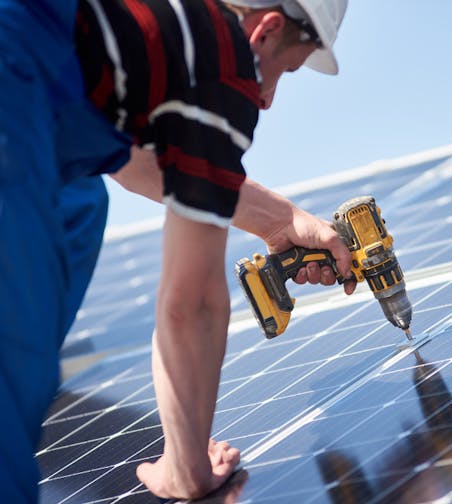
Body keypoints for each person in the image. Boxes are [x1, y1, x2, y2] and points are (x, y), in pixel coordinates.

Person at [0, 0, 350, 501]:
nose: (268, 98)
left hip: (31, 83)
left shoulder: (161, 26)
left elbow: (130, 162)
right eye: (285, 71)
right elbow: (193, 303)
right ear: (267, 32)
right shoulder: (224, 56)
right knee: (10, 370)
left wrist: (279, 220)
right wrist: (186, 472)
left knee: (78, 200)